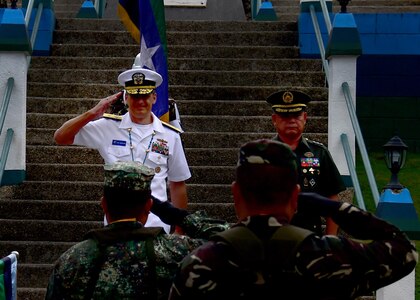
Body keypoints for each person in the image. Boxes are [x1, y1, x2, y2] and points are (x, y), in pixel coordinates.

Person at [168, 139, 418, 300]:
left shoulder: (201, 263)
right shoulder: (329, 257)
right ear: (296, 196)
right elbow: (404, 250)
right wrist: (333, 207)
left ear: (236, 193)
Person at [45, 161, 228, 300]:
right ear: (148, 205)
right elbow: (225, 237)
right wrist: (169, 211)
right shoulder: (174, 250)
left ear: (103, 204)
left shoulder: (72, 260)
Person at [53, 54, 191, 233]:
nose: (140, 102)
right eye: (134, 96)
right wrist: (92, 113)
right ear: (126, 98)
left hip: (156, 226)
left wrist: (180, 232)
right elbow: (60, 137)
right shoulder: (108, 127)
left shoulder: (170, 135)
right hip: (117, 225)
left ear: (154, 98)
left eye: (145, 96)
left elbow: (177, 183)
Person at [266, 89, 346, 235]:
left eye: (296, 115)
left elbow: (332, 200)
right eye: (284, 115)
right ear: (274, 120)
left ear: (305, 118)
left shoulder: (319, 153)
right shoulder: (262, 154)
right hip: (271, 239)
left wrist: (330, 241)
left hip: (310, 238)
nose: (291, 120)